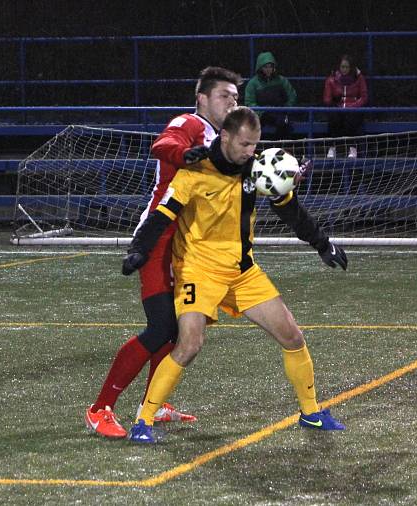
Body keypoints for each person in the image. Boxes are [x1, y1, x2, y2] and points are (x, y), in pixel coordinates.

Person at [121, 106, 348, 443]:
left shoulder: (256, 171)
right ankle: (144, 421)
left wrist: (322, 244)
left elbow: (291, 212)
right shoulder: (194, 171)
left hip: (243, 272)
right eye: (244, 145)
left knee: (293, 337)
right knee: (190, 344)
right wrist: (139, 249)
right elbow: (161, 216)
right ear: (224, 136)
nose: (250, 152)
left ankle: (311, 413)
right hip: (198, 270)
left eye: (254, 145)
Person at [84, 67, 243, 438]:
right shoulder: (188, 123)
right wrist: (189, 153)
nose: (232, 102)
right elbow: (162, 145)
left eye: (236, 97)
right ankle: (99, 409)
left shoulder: (225, 140)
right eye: (224, 95)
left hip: (191, 246)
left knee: (180, 331)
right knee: (161, 327)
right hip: (159, 236)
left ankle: (151, 405)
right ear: (201, 98)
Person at [244, 51, 298, 140]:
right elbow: (249, 102)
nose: (268, 69)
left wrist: (286, 109)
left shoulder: (282, 80)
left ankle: (279, 149)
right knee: (253, 128)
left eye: (270, 66)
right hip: (263, 115)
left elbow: (292, 96)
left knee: (284, 125)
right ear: (260, 68)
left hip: (280, 113)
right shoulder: (253, 83)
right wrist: (262, 112)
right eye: (265, 67)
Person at [323, 54, 368, 158]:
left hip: (353, 108)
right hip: (337, 107)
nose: (344, 69)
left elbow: (364, 97)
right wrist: (335, 104)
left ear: (351, 67)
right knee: (333, 118)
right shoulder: (332, 79)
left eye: (347, 67)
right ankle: (332, 148)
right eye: (342, 67)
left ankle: (352, 148)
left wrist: (353, 106)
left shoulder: (359, 78)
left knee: (352, 119)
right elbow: (327, 99)